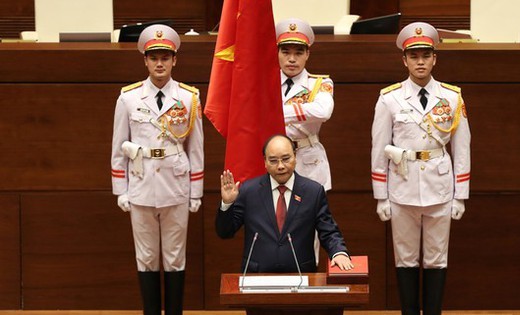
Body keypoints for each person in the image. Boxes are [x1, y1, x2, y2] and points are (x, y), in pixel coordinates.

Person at [370, 22, 471, 315]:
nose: (420, 62)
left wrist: (460, 194)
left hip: (440, 188)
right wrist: (381, 196)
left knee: (437, 258)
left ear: (435, 58)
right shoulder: (389, 98)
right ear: (404, 60)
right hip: (401, 188)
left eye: (426, 55)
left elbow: (462, 147)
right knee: (405, 259)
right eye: (414, 56)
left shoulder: (452, 97)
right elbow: (378, 148)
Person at [110, 24, 204, 315]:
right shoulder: (129, 97)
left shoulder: (189, 97)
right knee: (147, 257)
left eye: (165, 57)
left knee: (175, 257)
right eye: (154, 57)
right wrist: (120, 190)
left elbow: (196, 147)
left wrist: (196, 191)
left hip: (176, 187)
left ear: (175, 60)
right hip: (141, 186)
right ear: (145, 60)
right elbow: (118, 146)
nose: (159, 63)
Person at [216, 134, 353, 273]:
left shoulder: (313, 192)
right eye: (273, 161)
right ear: (265, 162)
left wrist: (339, 252)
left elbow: (329, 231)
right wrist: (227, 204)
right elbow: (225, 232)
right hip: (257, 277)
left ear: (295, 157)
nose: (280, 166)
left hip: (300, 275)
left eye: (286, 159)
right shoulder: (249, 191)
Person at [275, 18, 335, 264]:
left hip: (308, 161)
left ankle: (308, 292)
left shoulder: (320, 83)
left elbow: (323, 111)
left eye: (298, 53)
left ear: (307, 54)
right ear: (276, 52)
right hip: (274, 163)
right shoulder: (264, 82)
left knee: (308, 234)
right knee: (275, 229)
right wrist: (301, 109)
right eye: (285, 52)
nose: (291, 59)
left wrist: (275, 111)